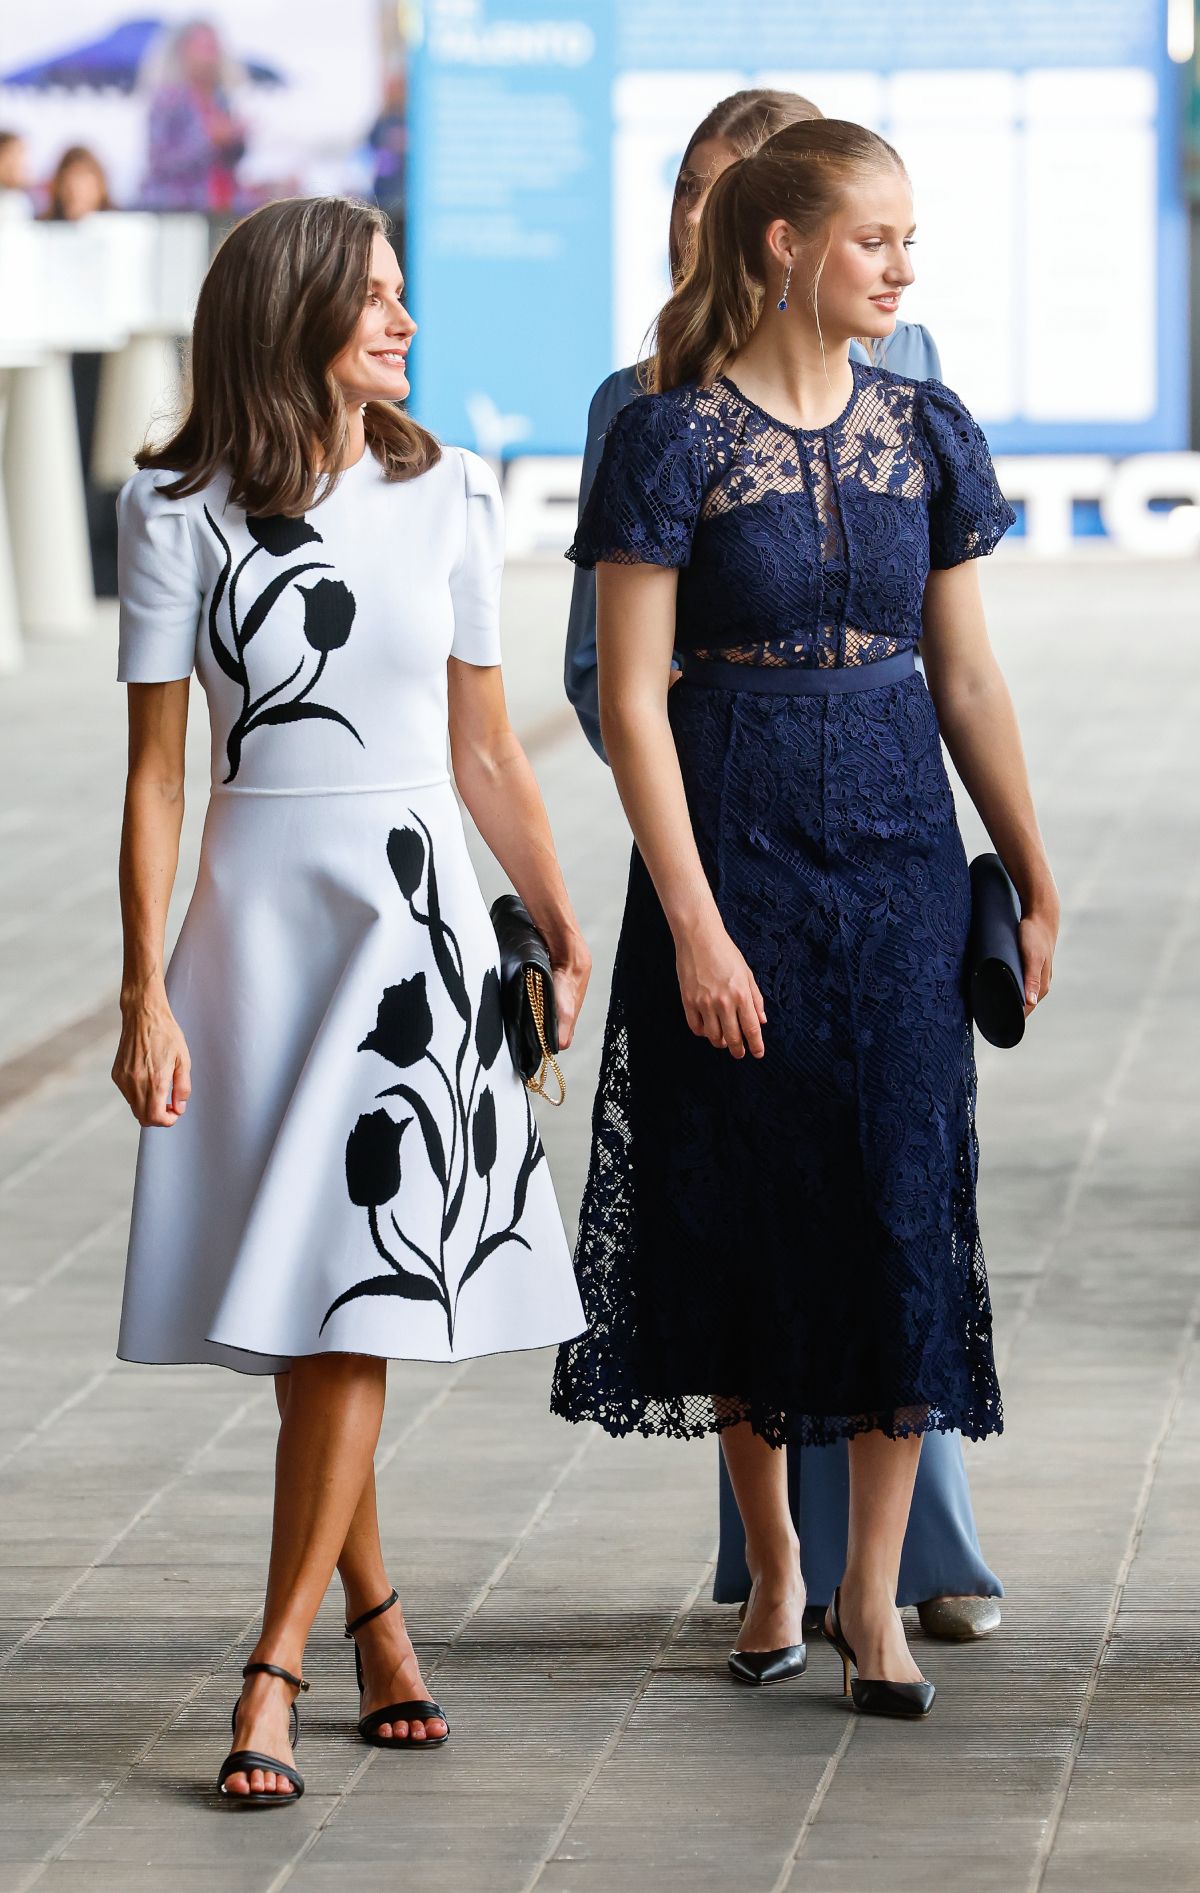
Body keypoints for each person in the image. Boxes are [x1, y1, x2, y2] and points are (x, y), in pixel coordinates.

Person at [551, 118, 1058, 1718]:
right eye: (875, 240)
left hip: (905, 851)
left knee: (904, 1199)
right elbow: (632, 702)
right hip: (739, 841)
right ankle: (773, 1561)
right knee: (752, 1207)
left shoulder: (927, 428)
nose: (904, 268)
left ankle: (873, 1594)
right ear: (783, 248)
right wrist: (694, 925)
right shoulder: (669, 438)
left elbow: (967, 674)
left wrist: (1034, 870)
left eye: (910, 240)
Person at [111, 195, 591, 1802]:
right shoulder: (174, 507)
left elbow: (484, 748)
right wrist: (142, 988)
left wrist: (560, 916)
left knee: (348, 1297)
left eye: (403, 294)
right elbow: (159, 775)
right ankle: (378, 1618)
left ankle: (274, 1669)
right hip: (256, 931)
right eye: (372, 298)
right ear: (288, 311)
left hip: (414, 925)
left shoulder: (449, 487)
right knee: (332, 1297)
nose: (401, 321)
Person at [139, 19, 248, 213]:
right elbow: (160, 161)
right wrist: (210, 139)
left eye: (214, 46)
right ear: (183, 51)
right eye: (204, 46)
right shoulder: (167, 100)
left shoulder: (220, 99)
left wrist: (236, 139)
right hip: (179, 210)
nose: (211, 54)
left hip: (220, 205)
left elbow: (227, 163)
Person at [42, 145, 111, 221]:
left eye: (83, 183)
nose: (76, 192)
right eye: (68, 184)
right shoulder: (41, 227)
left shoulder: (119, 224)